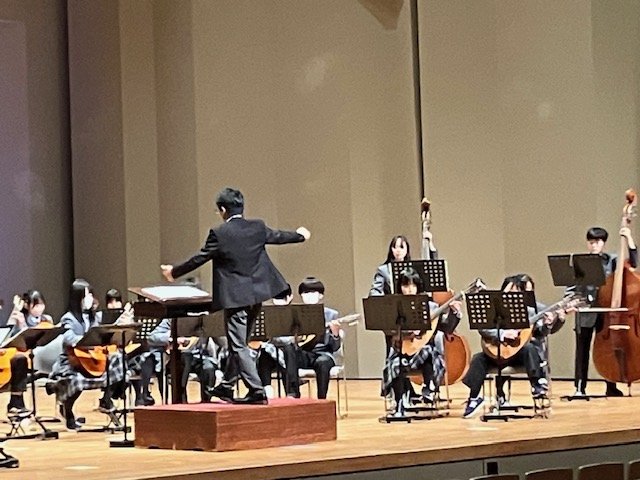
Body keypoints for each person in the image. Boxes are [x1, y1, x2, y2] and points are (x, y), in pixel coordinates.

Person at [161, 187, 310, 404]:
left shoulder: (220, 233)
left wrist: (174, 272)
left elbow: (200, 257)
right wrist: (300, 236)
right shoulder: (257, 227)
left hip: (236, 299)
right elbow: (279, 236)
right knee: (238, 343)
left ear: (223, 210)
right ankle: (227, 386)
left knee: (238, 345)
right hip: (257, 296)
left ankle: (257, 391)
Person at [462, 274, 565, 419]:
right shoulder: (493, 309)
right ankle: (474, 398)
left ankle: (537, 385)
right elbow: (483, 328)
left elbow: (540, 333)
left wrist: (548, 324)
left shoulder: (531, 311)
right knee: (478, 359)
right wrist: (503, 333)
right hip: (496, 353)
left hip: (518, 354)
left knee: (529, 349)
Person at [375, 267, 462, 416]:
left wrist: (455, 313)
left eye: (413, 285)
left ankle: (429, 388)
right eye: (405, 285)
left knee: (428, 350)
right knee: (395, 365)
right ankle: (400, 403)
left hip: (425, 356)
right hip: (402, 352)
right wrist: (407, 332)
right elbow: (389, 331)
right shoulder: (394, 307)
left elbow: (446, 328)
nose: (409, 289)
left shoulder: (431, 307)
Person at [46, 279, 126, 429]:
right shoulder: (68, 318)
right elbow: (69, 338)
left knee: (119, 359)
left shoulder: (93, 317)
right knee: (76, 381)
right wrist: (86, 340)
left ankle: (106, 399)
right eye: (86, 295)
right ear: (78, 298)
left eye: (90, 295)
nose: (90, 298)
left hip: (93, 359)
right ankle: (68, 411)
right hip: (72, 362)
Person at [572, 227, 637, 397]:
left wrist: (629, 239)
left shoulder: (613, 260)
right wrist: (571, 302)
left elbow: (633, 264)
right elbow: (572, 287)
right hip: (586, 312)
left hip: (608, 313)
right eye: (591, 242)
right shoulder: (580, 262)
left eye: (598, 242)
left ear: (604, 243)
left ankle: (611, 385)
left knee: (609, 349)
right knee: (582, 350)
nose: (594, 245)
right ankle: (580, 387)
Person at [288, 276, 342, 400]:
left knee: (322, 362)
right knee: (288, 353)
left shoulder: (331, 314)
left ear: (321, 295)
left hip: (323, 354)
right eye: (305, 293)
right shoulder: (295, 313)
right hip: (302, 354)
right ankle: (293, 395)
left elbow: (335, 347)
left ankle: (322, 400)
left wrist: (335, 333)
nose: (309, 296)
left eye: (313, 293)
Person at [3, 291, 53, 415]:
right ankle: (17, 402)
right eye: (36, 305)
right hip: (24, 354)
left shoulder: (46, 319)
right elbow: (10, 337)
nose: (39, 308)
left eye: (41, 304)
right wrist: (20, 321)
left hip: (42, 353)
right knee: (20, 360)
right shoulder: (20, 317)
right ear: (27, 305)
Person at [255, 285, 299, 398]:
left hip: (293, 353)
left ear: (290, 297)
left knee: (289, 350)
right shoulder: (268, 313)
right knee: (264, 353)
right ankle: (266, 388)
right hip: (274, 351)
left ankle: (292, 392)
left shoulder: (296, 313)